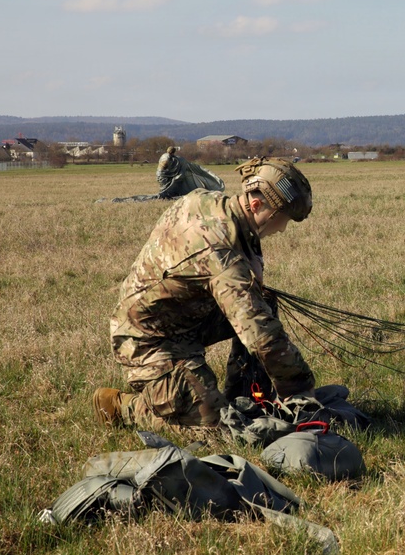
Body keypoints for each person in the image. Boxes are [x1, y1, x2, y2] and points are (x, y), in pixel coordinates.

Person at [93, 157, 315, 433]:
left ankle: (242, 394)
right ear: (256, 205)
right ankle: (123, 406)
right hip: (147, 340)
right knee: (220, 430)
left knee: (261, 300)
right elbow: (260, 334)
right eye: (279, 219)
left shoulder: (208, 201)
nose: (281, 228)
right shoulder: (221, 257)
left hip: (180, 316)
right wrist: (302, 391)